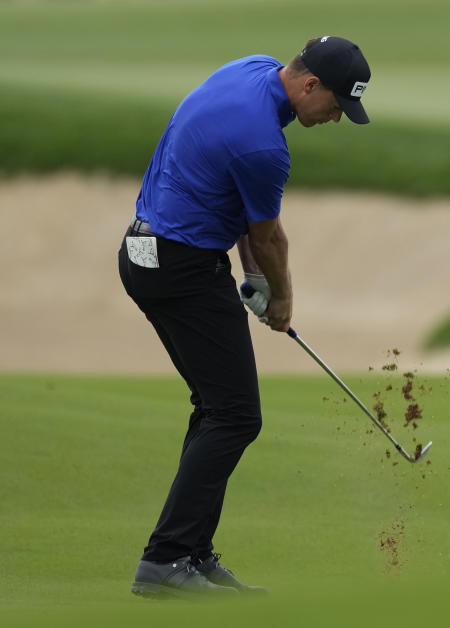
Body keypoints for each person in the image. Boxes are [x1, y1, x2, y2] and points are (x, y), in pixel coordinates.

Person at [119, 36, 371, 598]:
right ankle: (164, 563)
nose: (334, 118)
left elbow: (228, 196)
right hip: (182, 267)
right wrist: (279, 300)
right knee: (235, 416)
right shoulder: (265, 149)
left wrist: (251, 278)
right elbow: (269, 237)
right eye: (334, 106)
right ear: (310, 86)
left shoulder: (250, 67)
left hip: (144, 252)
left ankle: (190, 556)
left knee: (216, 409)